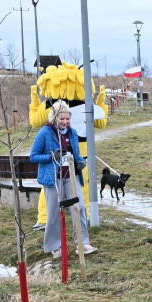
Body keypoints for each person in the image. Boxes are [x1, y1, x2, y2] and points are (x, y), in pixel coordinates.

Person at [29, 100, 96, 257]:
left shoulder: (72, 133)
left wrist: (81, 162)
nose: (65, 122)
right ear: (54, 118)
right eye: (62, 119)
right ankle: (55, 246)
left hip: (71, 176)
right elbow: (33, 156)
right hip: (53, 179)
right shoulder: (45, 133)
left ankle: (83, 243)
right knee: (53, 212)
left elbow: (77, 154)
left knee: (79, 208)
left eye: (67, 119)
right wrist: (53, 156)